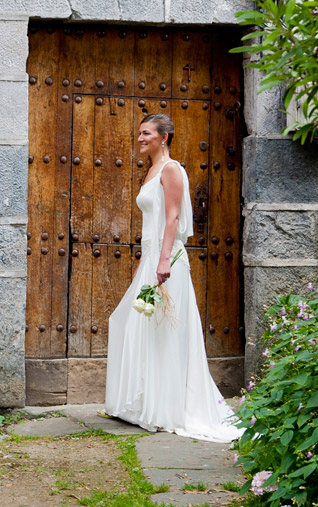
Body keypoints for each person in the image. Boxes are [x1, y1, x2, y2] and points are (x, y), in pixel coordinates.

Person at [104, 113, 243, 443]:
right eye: (139, 133)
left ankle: (168, 409)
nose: (140, 138)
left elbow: (172, 218)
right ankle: (144, 405)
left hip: (168, 260)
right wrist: (144, 262)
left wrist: (163, 259)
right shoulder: (151, 170)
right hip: (152, 257)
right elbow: (150, 225)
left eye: (147, 133)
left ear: (163, 137)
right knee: (133, 323)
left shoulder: (171, 169)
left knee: (164, 331)